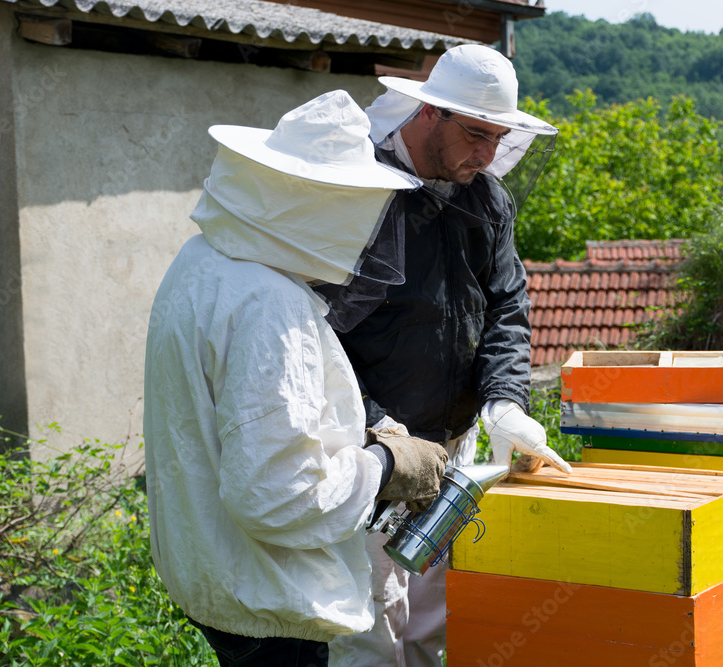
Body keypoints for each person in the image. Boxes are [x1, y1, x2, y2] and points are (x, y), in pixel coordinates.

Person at [142, 90, 452, 667]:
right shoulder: (267, 301)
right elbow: (276, 492)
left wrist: (369, 426)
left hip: (213, 574)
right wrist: (388, 466)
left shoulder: (204, 261)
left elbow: (246, 420)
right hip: (264, 598)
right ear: (320, 200)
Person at [317, 45, 573, 667]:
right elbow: (315, 333)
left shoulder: (485, 199)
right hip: (370, 449)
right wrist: (377, 426)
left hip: (453, 449)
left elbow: (506, 307)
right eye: (476, 135)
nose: (487, 155)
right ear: (430, 113)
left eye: (498, 138)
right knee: (368, 624)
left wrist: (506, 402)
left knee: (431, 618)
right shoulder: (357, 193)